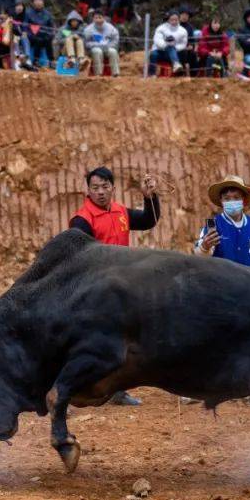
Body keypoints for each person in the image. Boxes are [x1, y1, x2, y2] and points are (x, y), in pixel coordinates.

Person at [68, 166, 161, 407]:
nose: (100, 192)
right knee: (94, 341)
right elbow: (78, 259)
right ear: (87, 190)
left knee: (123, 339)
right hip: (95, 290)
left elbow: (149, 220)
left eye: (105, 187)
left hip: (121, 288)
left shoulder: (120, 212)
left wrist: (150, 198)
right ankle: (76, 389)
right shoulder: (82, 220)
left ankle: (117, 390)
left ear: (113, 188)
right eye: (95, 188)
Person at [193, 174, 250, 406]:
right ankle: (198, 386)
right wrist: (206, 245)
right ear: (221, 202)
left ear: (244, 201)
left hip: (248, 291)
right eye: (227, 198)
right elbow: (197, 254)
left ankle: (248, 387)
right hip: (218, 291)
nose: (231, 201)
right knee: (211, 339)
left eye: (236, 197)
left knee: (248, 339)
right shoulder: (213, 226)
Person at [148, 9, 187, 75]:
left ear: (179, 19)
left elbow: (183, 44)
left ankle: (178, 72)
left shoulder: (183, 31)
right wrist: (166, 46)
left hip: (174, 52)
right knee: (153, 55)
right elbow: (157, 40)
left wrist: (174, 48)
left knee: (179, 51)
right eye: (172, 19)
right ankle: (152, 74)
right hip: (160, 51)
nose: (174, 21)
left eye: (176, 19)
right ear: (168, 19)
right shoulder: (161, 28)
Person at [83, 11, 120, 76]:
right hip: (94, 48)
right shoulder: (88, 29)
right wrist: (95, 45)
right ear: (93, 19)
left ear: (104, 18)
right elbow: (86, 42)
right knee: (97, 51)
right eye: (96, 18)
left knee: (113, 51)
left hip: (108, 47)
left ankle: (115, 73)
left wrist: (109, 46)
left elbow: (115, 40)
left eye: (100, 17)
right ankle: (98, 74)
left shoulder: (111, 28)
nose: (98, 20)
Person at [22, 0, 55, 68]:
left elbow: (52, 27)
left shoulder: (47, 14)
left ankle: (51, 60)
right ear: (33, 3)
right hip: (33, 36)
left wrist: (50, 35)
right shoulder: (28, 13)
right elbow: (25, 26)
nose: (38, 2)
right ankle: (35, 61)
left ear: (43, 2)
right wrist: (29, 34)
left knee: (48, 40)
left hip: (45, 35)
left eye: (40, 0)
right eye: (36, 1)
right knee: (38, 40)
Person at [177, 5, 200, 75]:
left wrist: (191, 45)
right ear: (179, 15)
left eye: (186, 15)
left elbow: (192, 40)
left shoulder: (190, 27)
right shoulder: (175, 25)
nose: (184, 17)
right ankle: (180, 73)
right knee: (183, 53)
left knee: (193, 54)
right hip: (177, 48)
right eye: (183, 14)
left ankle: (194, 75)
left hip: (187, 48)